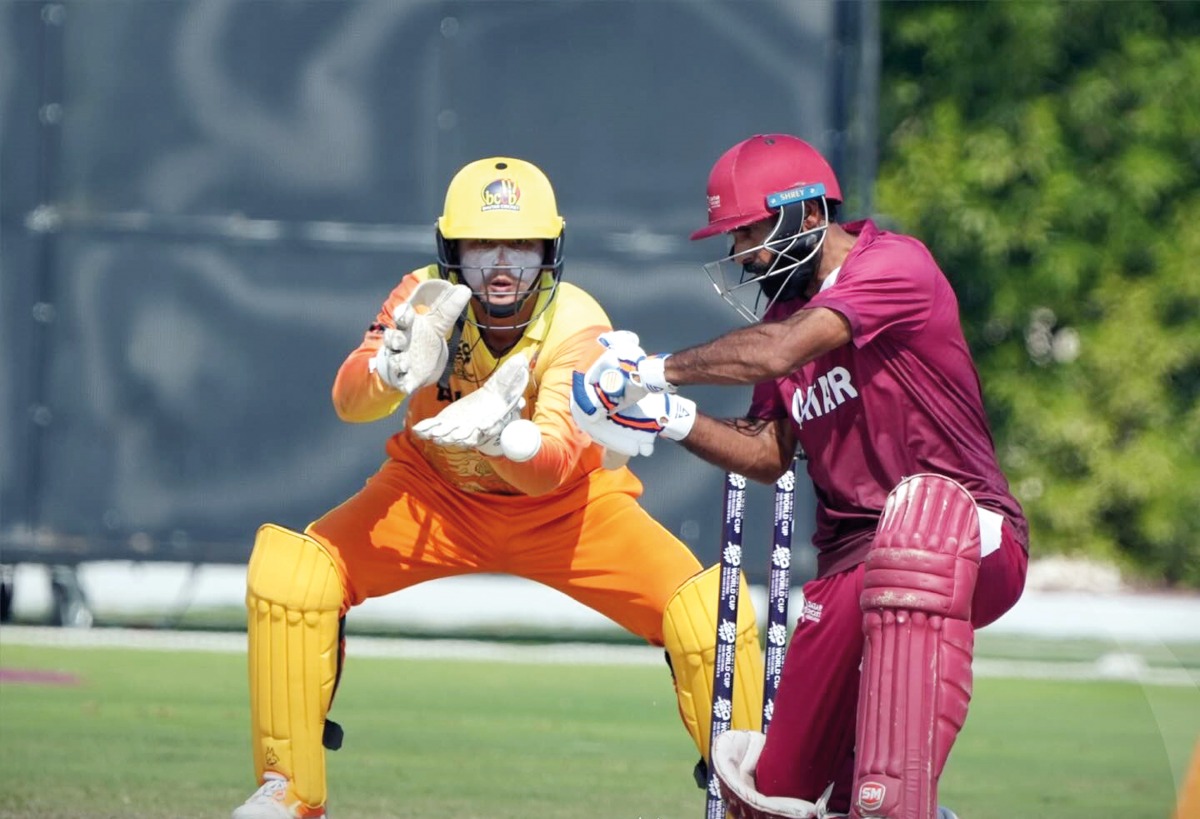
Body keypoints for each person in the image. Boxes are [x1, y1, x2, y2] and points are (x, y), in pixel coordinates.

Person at [231, 156, 764, 819]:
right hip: (432, 493)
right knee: (292, 575)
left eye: (522, 245)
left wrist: (499, 437)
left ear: (550, 248)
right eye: (482, 244)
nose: (502, 264)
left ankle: (751, 802)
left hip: (569, 512)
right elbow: (348, 401)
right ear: (451, 249)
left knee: (711, 615)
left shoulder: (577, 322)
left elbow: (554, 466)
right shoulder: (424, 295)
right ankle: (288, 790)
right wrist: (388, 375)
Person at [571, 134, 1029, 819]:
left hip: (966, 534)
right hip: (851, 569)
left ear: (809, 214)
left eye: (750, 231)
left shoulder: (893, 265)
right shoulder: (783, 320)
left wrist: (653, 370)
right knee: (777, 795)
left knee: (910, 561)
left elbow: (779, 352)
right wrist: (668, 418)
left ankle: (901, 804)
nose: (742, 254)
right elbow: (767, 452)